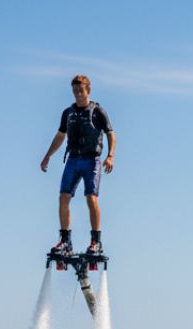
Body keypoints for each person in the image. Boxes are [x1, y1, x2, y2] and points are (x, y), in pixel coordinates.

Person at [41, 74, 116, 256]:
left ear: (87, 90)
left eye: (81, 90)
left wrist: (110, 156)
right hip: (73, 160)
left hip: (92, 161)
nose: (78, 94)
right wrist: (48, 156)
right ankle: (65, 240)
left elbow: (110, 134)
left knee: (91, 198)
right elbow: (60, 136)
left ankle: (96, 241)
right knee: (63, 197)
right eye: (75, 91)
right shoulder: (68, 113)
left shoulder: (98, 112)